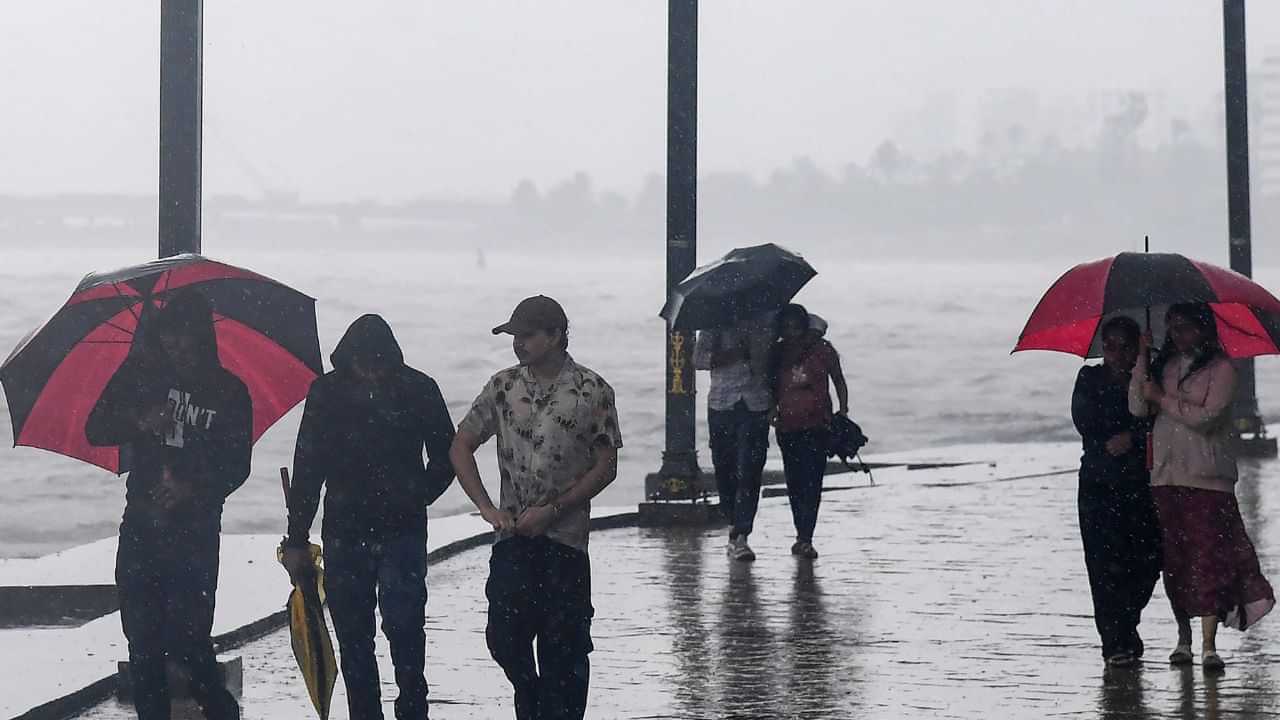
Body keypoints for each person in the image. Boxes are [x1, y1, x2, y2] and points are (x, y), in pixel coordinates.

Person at [449, 295, 622, 720]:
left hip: (565, 542)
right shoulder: (503, 386)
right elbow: (461, 446)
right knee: (503, 638)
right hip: (512, 540)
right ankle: (530, 693)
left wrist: (556, 509)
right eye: (514, 336)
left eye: (526, 335)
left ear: (556, 335)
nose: (518, 344)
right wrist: (489, 510)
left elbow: (607, 465)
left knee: (565, 647)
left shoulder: (591, 389)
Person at [86, 290, 251, 720]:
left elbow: (238, 466)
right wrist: (140, 419)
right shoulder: (140, 376)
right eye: (168, 337)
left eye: (184, 336)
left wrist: (192, 489)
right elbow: (95, 427)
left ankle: (222, 711)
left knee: (189, 644)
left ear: (202, 336)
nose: (176, 345)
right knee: (142, 644)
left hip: (195, 532)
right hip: (141, 524)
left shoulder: (229, 391)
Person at [282, 315, 456, 720]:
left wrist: (418, 496)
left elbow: (446, 456)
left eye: (379, 366)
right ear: (348, 359)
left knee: (405, 625)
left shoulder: (418, 388)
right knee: (353, 633)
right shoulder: (326, 392)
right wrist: (296, 537)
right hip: (345, 529)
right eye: (363, 365)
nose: (371, 375)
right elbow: (307, 468)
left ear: (391, 361)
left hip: (403, 529)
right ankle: (365, 713)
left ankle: (413, 704)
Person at [1131, 302, 1275, 670]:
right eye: (1172, 328)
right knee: (1176, 562)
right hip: (1165, 476)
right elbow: (1137, 407)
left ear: (1203, 329)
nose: (1178, 335)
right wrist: (1143, 358)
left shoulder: (1222, 368)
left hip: (1208, 478)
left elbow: (1207, 418)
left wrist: (1162, 398)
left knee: (1208, 559)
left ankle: (1209, 645)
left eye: (1185, 327)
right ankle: (1184, 639)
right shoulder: (1164, 366)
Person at [1070, 316, 1161, 667]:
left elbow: (1161, 421)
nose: (1116, 353)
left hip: (1142, 483)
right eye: (1110, 346)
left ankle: (1127, 622)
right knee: (1104, 565)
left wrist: (1135, 437)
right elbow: (1084, 419)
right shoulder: (1089, 377)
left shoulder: (1149, 377)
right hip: (1099, 483)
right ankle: (1115, 642)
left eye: (1125, 346)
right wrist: (1113, 437)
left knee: (1148, 559)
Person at [692, 310, 776, 562]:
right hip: (722, 403)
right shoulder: (713, 324)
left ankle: (741, 534)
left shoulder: (767, 321)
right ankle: (732, 521)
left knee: (750, 469)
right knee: (725, 468)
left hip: (756, 402)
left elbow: (774, 361)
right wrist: (731, 354)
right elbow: (697, 360)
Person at [768, 304, 848, 560]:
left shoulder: (822, 350)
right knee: (795, 481)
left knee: (813, 482)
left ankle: (806, 537)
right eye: (786, 327)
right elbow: (769, 385)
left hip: (818, 425)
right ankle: (800, 533)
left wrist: (843, 410)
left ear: (804, 326)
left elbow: (838, 379)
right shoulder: (777, 352)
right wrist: (771, 411)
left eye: (796, 326)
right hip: (788, 426)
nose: (791, 332)